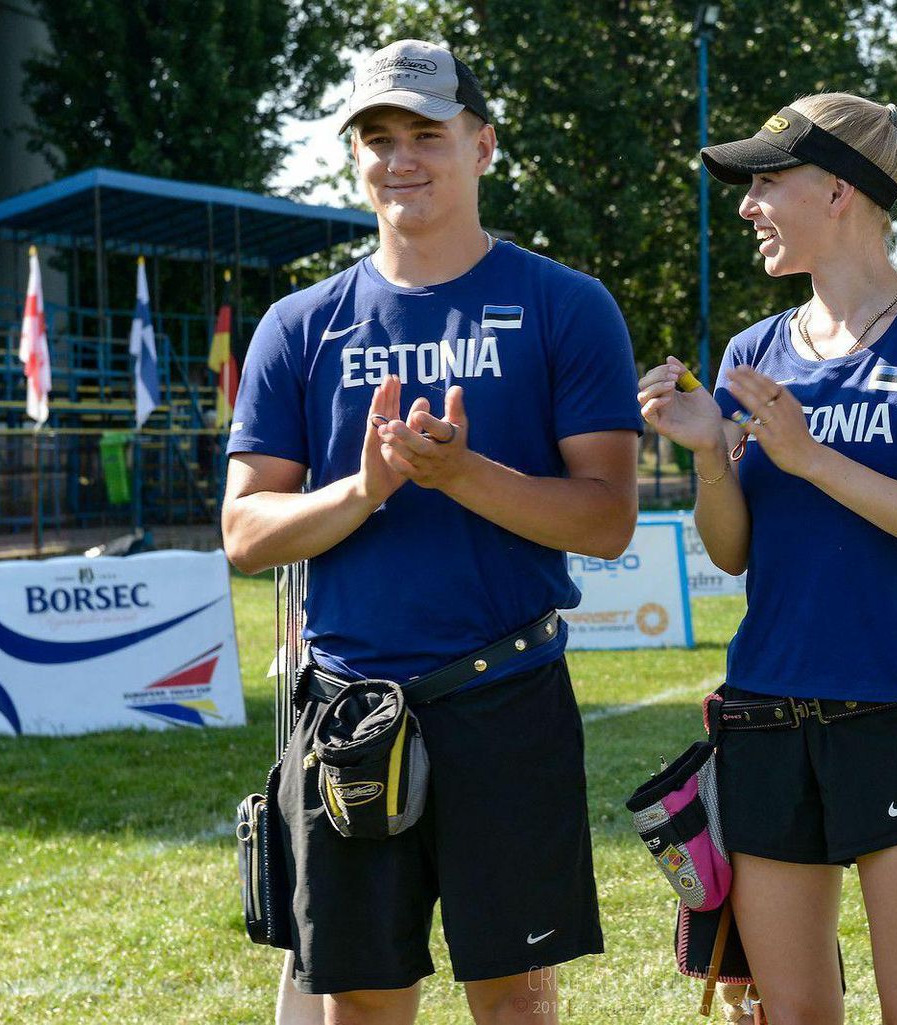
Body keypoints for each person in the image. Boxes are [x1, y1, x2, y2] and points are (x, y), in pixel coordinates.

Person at [222, 39, 642, 1025]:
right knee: (363, 1004)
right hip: (351, 710)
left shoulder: (565, 305)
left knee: (518, 1000)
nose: (400, 158)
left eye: (426, 134)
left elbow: (608, 516)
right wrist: (365, 489)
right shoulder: (300, 324)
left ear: (482, 146)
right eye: (378, 138)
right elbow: (245, 531)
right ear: (354, 156)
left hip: (509, 698)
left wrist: (461, 474)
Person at [637, 93, 897, 1025]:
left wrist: (811, 458)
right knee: (791, 1013)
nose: (747, 205)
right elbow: (733, 552)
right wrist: (708, 453)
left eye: (767, 182)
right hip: (765, 720)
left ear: (839, 189)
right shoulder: (754, 351)